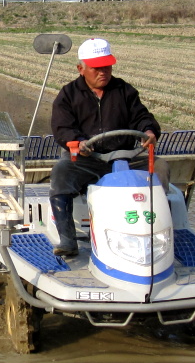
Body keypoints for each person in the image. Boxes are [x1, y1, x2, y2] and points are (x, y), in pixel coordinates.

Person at [49, 38, 165, 257]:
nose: (103, 72)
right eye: (97, 68)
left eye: (107, 67)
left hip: (125, 157)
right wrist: (78, 142)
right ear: (81, 69)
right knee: (61, 172)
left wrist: (149, 131)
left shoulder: (124, 90)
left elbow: (142, 116)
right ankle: (68, 241)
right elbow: (62, 128)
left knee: (160, 168)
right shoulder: (68, 94)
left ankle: (159, 231)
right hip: (87, 158)